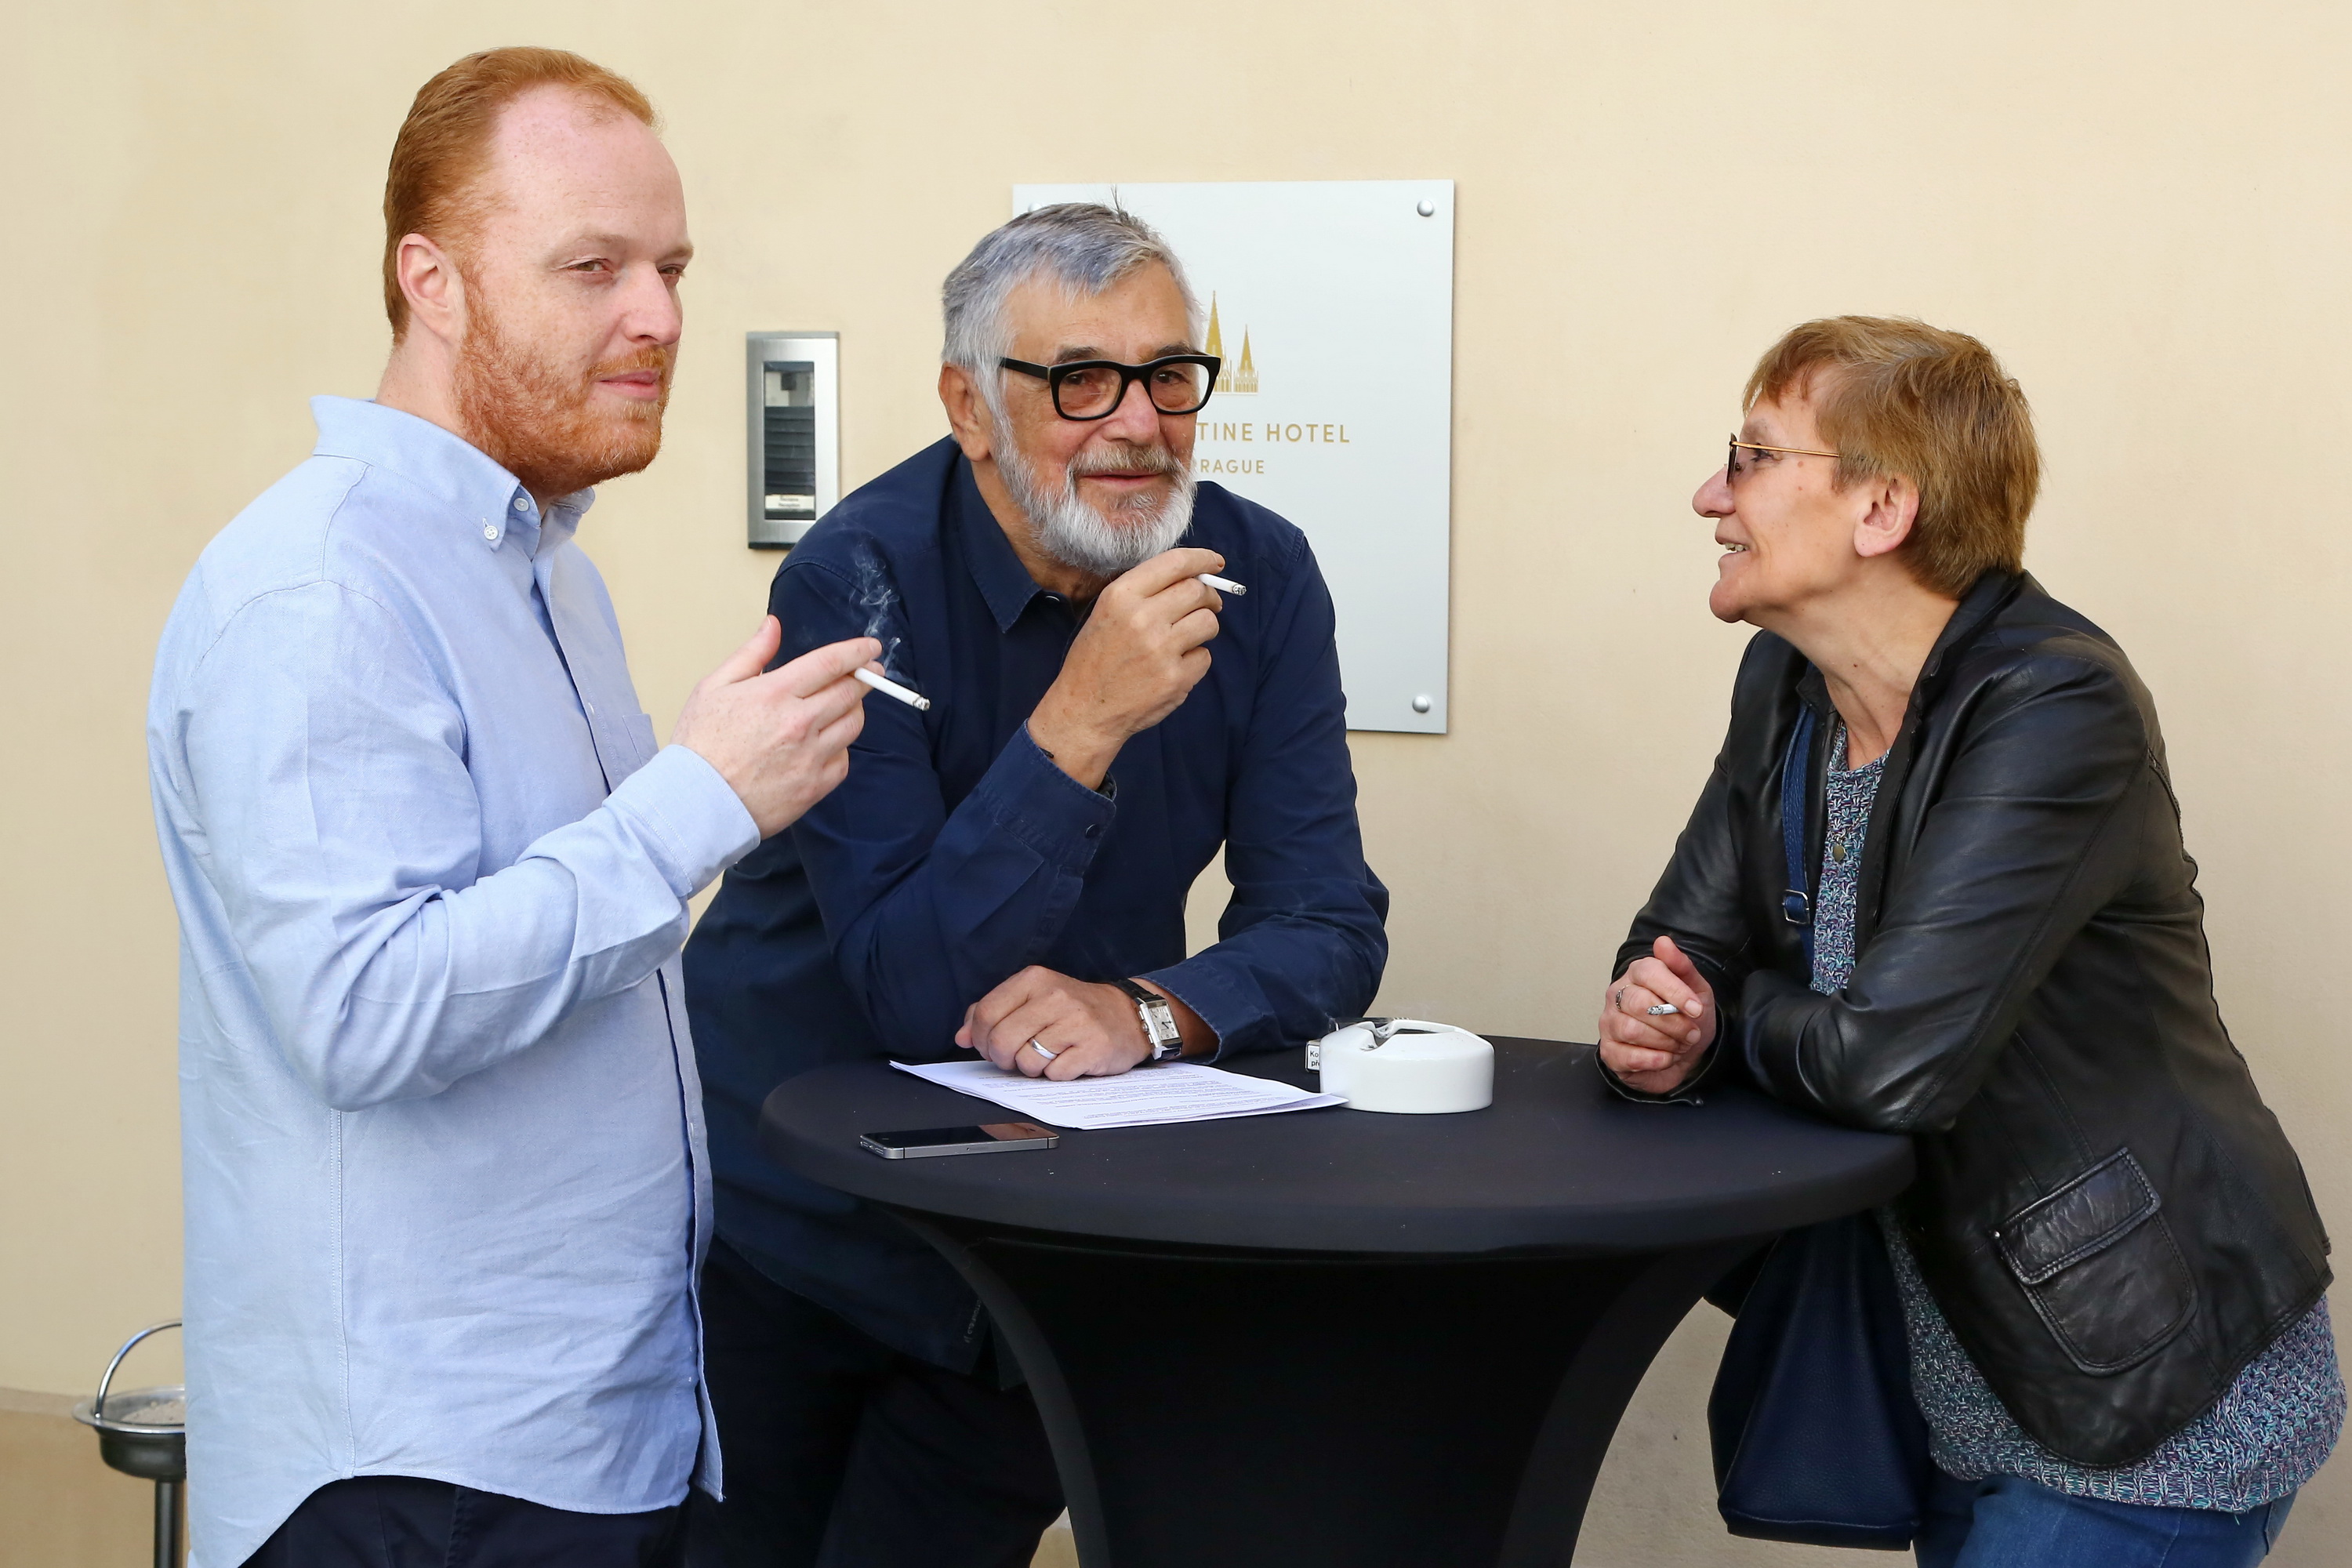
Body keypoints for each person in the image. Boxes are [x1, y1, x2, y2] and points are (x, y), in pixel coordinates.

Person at [147, 48, 880, 1568]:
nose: (660, 316)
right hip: (421, 1476)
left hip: (585, 1436)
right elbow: (366, 1013)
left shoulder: (549, 573)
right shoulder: (323, 589)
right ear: (432, 280)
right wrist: (699, 801)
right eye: (594, 267)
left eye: (673, 268)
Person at [682, 202, 1389, 1566]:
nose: (1137, 424)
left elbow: (1329, 922)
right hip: (790, 1228)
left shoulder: (1263, 572)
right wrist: (1081, 720)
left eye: (1169, 375)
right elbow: (908, 992)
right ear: (969, 405)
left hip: (1035, 1239)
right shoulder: (858, 576)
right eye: (1080, 381)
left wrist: (1149, 1012)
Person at [1597, 316, 2341, 1566]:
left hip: (2146, 1405)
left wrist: (1720, 1026)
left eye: (1754, 456)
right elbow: (1673, 957)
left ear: (1883, 507)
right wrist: (1663, 1025)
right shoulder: (1787, 687)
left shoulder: (2056, 702)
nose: (1710, 496)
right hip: (1963, 1388)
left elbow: (1891, 1064)